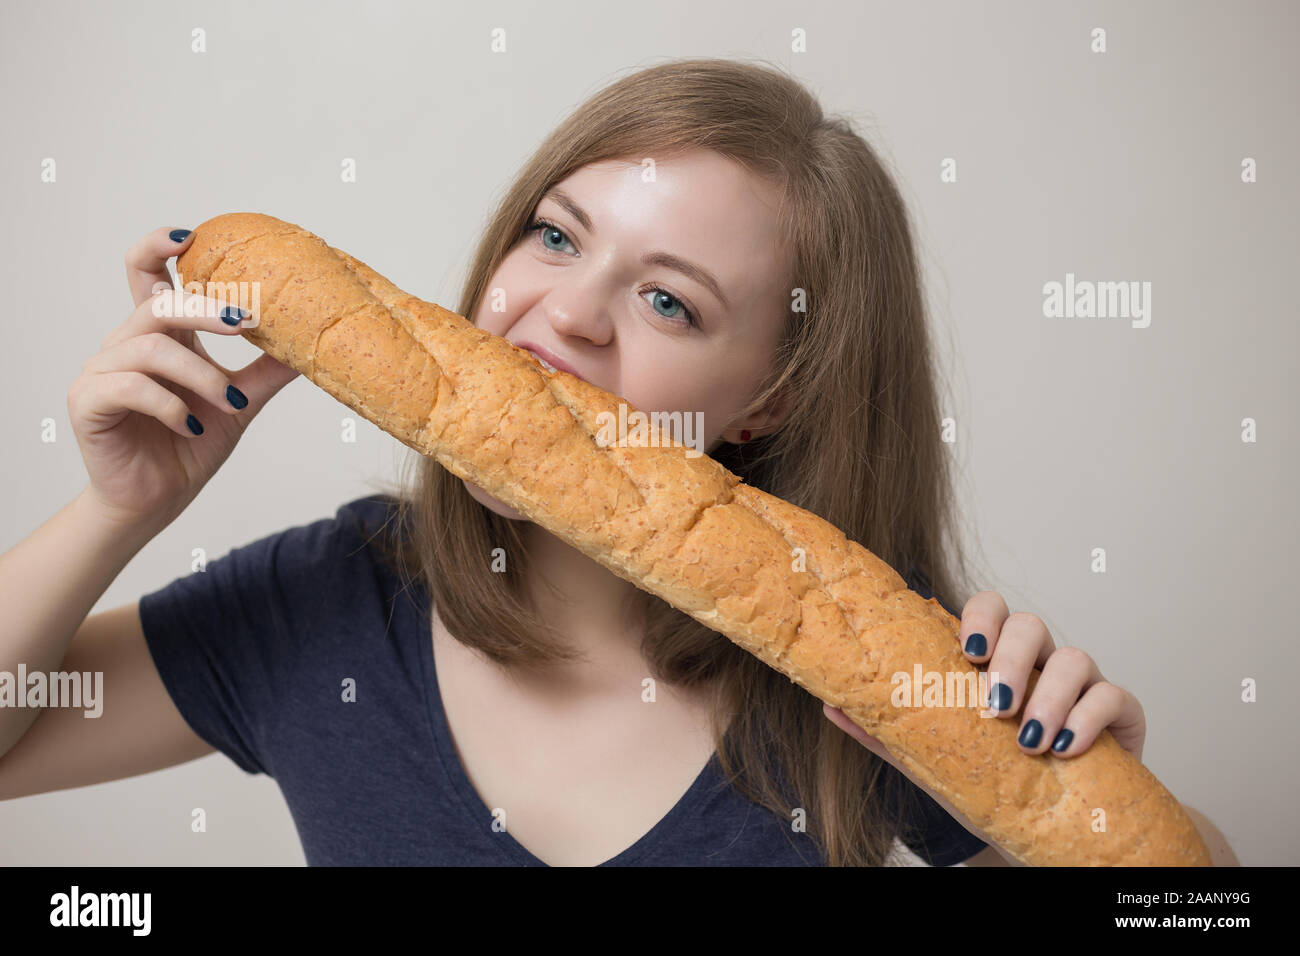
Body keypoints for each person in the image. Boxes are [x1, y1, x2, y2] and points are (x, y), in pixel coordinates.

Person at [0, 57, 1235, 867]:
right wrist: (119, 511)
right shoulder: (334, 596)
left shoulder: (892, 685)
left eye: (667, 301)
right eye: (554, 235)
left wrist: (1090, 804)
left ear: (770, 399)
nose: (566, 316)